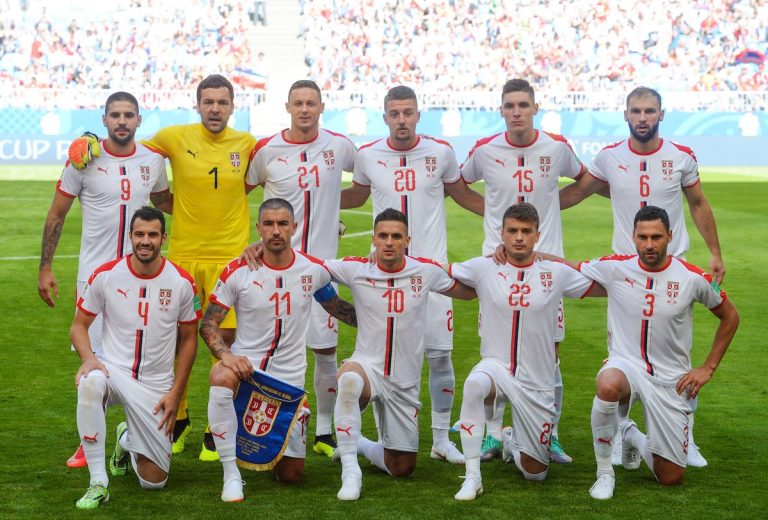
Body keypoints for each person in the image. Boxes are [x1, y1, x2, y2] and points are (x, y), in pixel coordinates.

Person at [68, 75, 257, 461]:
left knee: (227, 343)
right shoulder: (173, 138)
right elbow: (125, 144)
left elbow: (276, 184)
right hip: (184, 255)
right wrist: (89, 137)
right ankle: (179, 419)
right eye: (208, 101)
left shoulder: (249, 145)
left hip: (230, 259)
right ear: (198, 104)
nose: (215, 108)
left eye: (222, 102)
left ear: (233, 106)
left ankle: (214, 428)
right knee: (171, 342)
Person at [559, 86, 725, 466]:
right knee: (622, 353)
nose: (643, 117)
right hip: (624, 271)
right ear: (626, 115)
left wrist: (715, 253)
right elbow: (575, 195)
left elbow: (698, 202)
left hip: (673, 267)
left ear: (661, 115)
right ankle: (620, 433)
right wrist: (526, 207)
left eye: (650, 110)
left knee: (677, 354)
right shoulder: (610, 157)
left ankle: (686, 438)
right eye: (636, 110)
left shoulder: (680, 157)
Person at [340, 85, 484, 464]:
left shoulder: (440, 153)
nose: (401, 120)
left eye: (408, 112)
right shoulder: (369, 156)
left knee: (440, 356)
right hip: (383, 274)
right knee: (379, 360)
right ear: (384, 117)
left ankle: (440, 439)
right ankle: (369, 438)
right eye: (394, 113)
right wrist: (307, 203)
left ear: (418, 115)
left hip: (430, 273)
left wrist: (509, 221)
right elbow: (354, 198)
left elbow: (466, 196)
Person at [563, 206, 737, 499]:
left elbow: (730, 316)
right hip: (626, 365)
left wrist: (707, 368)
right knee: (608, 384)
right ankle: (605, 472)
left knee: (671, 477)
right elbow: (568, 267)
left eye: (656, 237)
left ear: (670, 236)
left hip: (671, 379)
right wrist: (530, 256)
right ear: (633, 237)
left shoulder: (693, 277)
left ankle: (630, 433)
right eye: (642, 237)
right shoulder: (615, 267)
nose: (649, 244)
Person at [41, 91, 172, 468]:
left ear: (139, 120)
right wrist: (45, 267)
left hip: (144, 279)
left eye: (128, 115)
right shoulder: (84, 159)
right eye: (115, 115)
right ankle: (90, 439)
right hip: (95, 281)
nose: (121, 121)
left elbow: (168, 204)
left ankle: (131, 435)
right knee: (93, 364)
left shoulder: (153, 160)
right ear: (104, 120)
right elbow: (56, 216)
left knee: (144, 362)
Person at [460, 79, 588, 464]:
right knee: (497, 353)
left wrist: (550, 205)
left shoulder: (557, 147)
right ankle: (493, 435)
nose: (516, 111)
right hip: (497, 265)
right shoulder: (484, 151)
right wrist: (497, 226)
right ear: (501, 110)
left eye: (523, 105)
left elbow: (583, 182)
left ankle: (550, 433)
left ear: (535, 108)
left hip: (547, 268)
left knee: (550, 352)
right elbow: (458, 186)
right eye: (510, 105)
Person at [200, 198, 357, 502]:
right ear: (258, 228)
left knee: (292, 476)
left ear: (294, 228)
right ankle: (231, 474)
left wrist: (380, 323)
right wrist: (227, 355)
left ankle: (268, 448)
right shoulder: (238, 271)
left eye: (282, 224)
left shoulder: (312, 270)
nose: (275, 231)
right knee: (220, 375)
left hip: (289, 385)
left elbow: (336, 307)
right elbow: (209, 325)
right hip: (248, 373)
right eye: (269, 224)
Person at [449, 203, 602, 501]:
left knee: (535, 473)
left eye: (526, 231)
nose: (519, 237)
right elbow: (439, 271)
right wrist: (382, 258)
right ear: (502, 234)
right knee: (473, 385)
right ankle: (471, 477)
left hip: (536, 382)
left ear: (537, 235)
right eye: (512, 231)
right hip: (496, 367)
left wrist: (552, 258)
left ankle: (509, 440)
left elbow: (603, 283)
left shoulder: (555, 273)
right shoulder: (484, 266)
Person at [326, 208, 476, 501]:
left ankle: (359, 443)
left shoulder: (425, 271)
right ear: (374, 239)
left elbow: (470, 291)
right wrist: (262, 249)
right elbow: (308, 268)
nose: (389, 242)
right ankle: (350, 472)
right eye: (383, 236)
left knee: (402, 468)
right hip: (367, 368)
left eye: (396, 236)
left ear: (408, 239)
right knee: (349, 382)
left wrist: (502, 260)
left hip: (404, 382)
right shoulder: (356, 268)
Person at [245, 80, 357, 458]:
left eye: (311, 103)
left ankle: (324, 431)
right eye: (298, 103)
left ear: (321, 107)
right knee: (274, 348)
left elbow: (366, 182)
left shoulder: (339, 145)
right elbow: (240, 192)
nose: (305, 109)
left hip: (321, 269)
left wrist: (333, 215)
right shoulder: (267, 149)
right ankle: (273, 423)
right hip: (276, 269)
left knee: (325, 350)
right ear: (287, 107)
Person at [70, 207, 201, 509]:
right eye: (139, 234)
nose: (145, 241)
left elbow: (190, 338)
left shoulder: (181, 282)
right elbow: (79, 327)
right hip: (112, 370)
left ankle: (125, 439)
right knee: (91, 382)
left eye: (152, 234)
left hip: (156, 385)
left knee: (153, 481)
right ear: (130, 236)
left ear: (163, 238)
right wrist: (89, 358)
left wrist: (176, 392)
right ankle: (98, 482)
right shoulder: (105, 275)